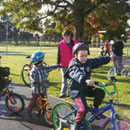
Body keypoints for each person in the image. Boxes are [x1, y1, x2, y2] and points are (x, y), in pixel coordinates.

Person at [65, 43, 111, 130]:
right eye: (81, 56)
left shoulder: (88, 62)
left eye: (86, 55)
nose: (84, 58)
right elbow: (76, 74)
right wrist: (85, 80)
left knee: (100, 92)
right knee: (83, 109)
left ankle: (96, 110)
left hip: (85, 88)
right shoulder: (73, 64)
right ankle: (76, 126)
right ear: (75, 55)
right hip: (76, 90)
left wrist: (109, 58)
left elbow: (97, 61)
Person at [27, 51, 61, 118]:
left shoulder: (44, 68)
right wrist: (34, 82)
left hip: (43, 88)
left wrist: (58, 65)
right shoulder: (33, 70)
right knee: (33, 100)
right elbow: (31, 79)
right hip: (36, 89)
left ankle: (45, 110)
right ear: (40, 61)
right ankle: (29, 110)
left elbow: (50, 67)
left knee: (44, 99)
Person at [57, 30, 78, 98]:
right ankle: (63, 93)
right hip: (64, 64)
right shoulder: (60, 44)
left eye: (68, 35)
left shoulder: (75, 42)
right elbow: (58, 55)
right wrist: (58, 65)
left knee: (71, 79)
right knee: (64, 80)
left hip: (73, 64)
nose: (66, 37)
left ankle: (70, 93)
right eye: (65, 35)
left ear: (70, 36)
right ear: (63, 36)